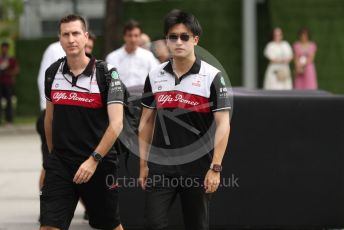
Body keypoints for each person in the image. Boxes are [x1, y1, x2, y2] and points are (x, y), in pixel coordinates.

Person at [139, 10, 231, 230]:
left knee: (196, 225)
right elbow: (146, 123)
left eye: (185, 37)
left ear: (195, 40)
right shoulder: (154, 75)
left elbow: (223, 125)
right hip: (161, 165)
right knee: (153, 224)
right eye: (173, 37)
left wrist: (215, 168)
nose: (178, 42)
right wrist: (143, 164)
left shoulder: (213, 76)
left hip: (198, 167)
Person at [40, 14, 124, 230]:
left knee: (110, 226)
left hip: (99, 164)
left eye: (76, 33)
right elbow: (50, 119)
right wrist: (52, 158)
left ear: (86, 37)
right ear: (60, 39)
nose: (71, 39)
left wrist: (93, 159)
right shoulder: (52, 73)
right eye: (65, 34)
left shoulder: (108, 74)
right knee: (49, 226)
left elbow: (117, 124)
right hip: (61, 165)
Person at [106, 19, 159, 96]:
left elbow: (156, 78)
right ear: (124, 37)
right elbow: (108, 82)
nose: (133, 39)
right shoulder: (112, 58)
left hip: (144, 98)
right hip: (120, 99)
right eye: (130, 35)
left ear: (140, 37)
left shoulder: (148, 56)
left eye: (136, 36)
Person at [0, 41, 19, 126]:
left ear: (7, 49)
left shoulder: (11, 59)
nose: (4, 49)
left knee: (9, 102)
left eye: (5, 47)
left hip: (8, 83)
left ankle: (9, 120)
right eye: (3, 47)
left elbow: (16, 70)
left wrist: (7, 72)